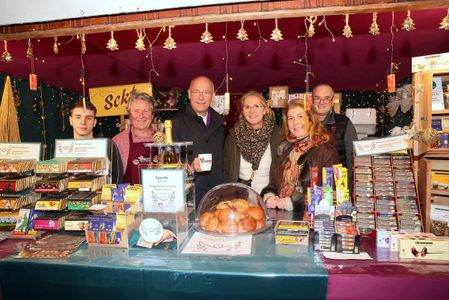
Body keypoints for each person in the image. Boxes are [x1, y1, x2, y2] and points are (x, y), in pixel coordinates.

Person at [261, 99, 339, 218]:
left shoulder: (326, 152)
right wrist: (269, 196)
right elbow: (273, 183)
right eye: (291, 118)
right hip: (281, 217)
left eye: (300, 116)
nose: (295, 122)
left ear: (310, 120)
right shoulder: (284, 150)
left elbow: (329, 192)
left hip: (310, 218)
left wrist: (292, 202)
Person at [172, 76, 224, 206]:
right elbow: (169, 168)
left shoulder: (219, 122)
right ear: (189, 94)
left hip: (218, 197)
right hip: (190, 200)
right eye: (196, 92)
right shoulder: (176, 124)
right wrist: (190, 167)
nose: (201, 97)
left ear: (213, 95)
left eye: (206, 92)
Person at [224, 90, 282, 194]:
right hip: (240, 199)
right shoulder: (233, 136)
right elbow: (226, 170)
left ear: (264, 110)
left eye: (256, 106)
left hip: (269, 197)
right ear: (243, 111)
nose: (252, 111)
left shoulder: (278, 135)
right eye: (247, 107)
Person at [69, 100, 123, 184]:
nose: (83, 122)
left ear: (94, 122)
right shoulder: (63, 148)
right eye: (78, 117)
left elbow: (117, 179)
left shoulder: (108, 146)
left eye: (88, 118)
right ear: (71, 120)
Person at [312, 84, 357, 174]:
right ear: (312, 100)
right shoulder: (304, 123)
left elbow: (352, 158)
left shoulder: (344, 123)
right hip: (310, 183)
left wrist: (349, 185)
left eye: (326, 98)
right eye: (317, 98)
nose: (321, 102)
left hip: (337, 183)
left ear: (332, 101)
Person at [113, 92, 157, 184]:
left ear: (152, 115)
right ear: (129, 115)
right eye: (136, 111)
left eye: (145, 111)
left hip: (160, 195)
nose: (141, 116)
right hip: (129, 197)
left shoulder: (164, 140)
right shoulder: (118, 142)